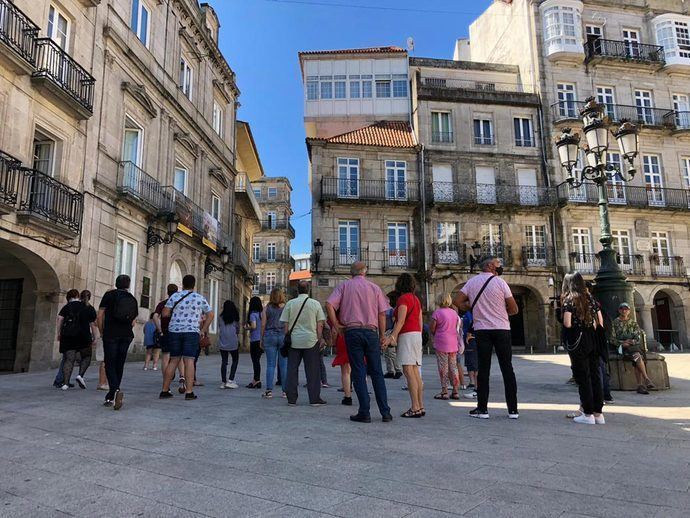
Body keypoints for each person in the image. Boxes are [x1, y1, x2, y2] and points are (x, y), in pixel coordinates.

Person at [453, 256, 519, 420]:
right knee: (507, 369)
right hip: (502, 329)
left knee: (483, 370)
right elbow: (514, 309)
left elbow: (457, 301)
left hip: (482, 330)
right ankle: (513, 410)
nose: (499, 265)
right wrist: (502, 312)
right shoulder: (501, 283)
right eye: (497, 263)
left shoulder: (472, 282)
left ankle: (482, 409)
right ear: (490, 266)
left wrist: (472, 308)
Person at [327, 262, 392, 423]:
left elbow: (329, 304)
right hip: (371, 332)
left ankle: (364, 411)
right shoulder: (375, 288)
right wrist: (382, 335)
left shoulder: (344, 286)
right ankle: (385, 412)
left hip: (352, 332)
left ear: (351, 273)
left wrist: (336, 325)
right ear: (365, 272)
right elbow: (382, 314)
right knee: (377, 372)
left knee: (358, 370)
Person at [159, 275, 213, 400]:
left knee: (173, 360)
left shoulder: (175, 296)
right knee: (189, 361)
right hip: (191, 331)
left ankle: (165, 390)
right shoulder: (199, 298)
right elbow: (210, 314)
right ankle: (189, 392)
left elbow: (165, 313)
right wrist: (203, 330)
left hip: (175, 331)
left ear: (182, 284)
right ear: (194, 285)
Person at [561, 272, 605, 425]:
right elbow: (600, 321)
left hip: (578, 340)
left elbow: (567, 323)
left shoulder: (570, 299)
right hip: (593, 338)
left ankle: (587, 414)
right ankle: (598, 413)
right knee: (595, 375)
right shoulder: (591, 299)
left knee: (582, 377)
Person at [281, 281, 327, 406]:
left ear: (297, 290)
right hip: (311, 341)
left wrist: (287, 337)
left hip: (294, 341)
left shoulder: (290, 304)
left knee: (292, 370)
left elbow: (285, 325)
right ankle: (314, 398)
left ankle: (291, 398)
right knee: (313, 371)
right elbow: (320, 325)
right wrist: (319, 339)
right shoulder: (315, 304)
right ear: (308, 290)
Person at [97, 274, 139, 410]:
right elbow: (133, 321)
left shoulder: (109, 295)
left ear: (116, 283)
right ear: (128, 284)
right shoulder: (132, 298)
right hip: (126, 334)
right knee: (119, 363)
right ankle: (112, 394)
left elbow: (100, 314)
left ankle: (115, 390)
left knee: (109, 362)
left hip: (111, 333)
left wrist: (102, 330)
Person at [387, 273, 424, 418]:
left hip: (407, 335)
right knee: (415, 372)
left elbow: (400, 321)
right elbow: (420, 321)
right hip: (416, 335)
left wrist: (392, 336)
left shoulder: (403, 299)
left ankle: (414, 407)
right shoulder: (416, 299)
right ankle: (420, 406)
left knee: (408, 372)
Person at [56, 289, 97, 390]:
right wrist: (95, 337)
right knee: (87, 356)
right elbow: (93, 324)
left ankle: (65, 383)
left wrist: (59, 333)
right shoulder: (88, 307)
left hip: (68, 335)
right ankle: (80, 375)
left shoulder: (67, 306)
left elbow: (60, 319)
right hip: (83, 335)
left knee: (69, 359)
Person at [612, 302, 655, 395]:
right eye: (622, 309)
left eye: (626, 309)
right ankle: (646, 379)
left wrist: (631, 342)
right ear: (619, 310)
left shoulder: (633, 323)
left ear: (629, 311)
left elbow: (637, 337)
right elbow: (612, 338)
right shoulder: (615, 322)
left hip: (632, 346)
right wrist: (622, 343)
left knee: (636, 358)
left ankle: (640, 385)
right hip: (621, 347)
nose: (624, 311)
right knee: (637, 356)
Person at [154, 284, 185, 393]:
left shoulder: (163, 304)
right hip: (177, 332)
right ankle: (182, 379)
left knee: (166, 357)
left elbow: (154, 316)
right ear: (177, 292)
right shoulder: (180, 303)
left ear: (167, 292)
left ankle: (166, 382)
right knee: (179, 357)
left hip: (166, 333)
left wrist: (160, 329)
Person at [430, 293, 461, 400]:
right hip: (453, 343)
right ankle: (456, 391)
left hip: (441, 343)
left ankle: (445, 391)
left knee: (443, 367)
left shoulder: (437, 313)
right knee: (453, 367)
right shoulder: (454, 313)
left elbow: (432, 328)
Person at [261, 288, 287, 399]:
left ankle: (269, 391)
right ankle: (285, 391)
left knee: (270, 364)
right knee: (284, 365)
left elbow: (263, 325)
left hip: (269, 336)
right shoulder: (286, 308)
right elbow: (287, 324)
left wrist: (261, 338)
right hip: (282, 336)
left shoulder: (266, 308)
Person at [329, 312, 352, 405]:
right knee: (360, 368)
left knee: (346, 372)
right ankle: (363, 394)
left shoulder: (340, 312)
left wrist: (333, 343)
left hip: (343, 338)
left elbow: (334, 331)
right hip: (357, 336)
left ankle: (347, 397)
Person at [218, 300, 240, 389]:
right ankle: (230, 380)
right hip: (233, 342)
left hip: (223, 341)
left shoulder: (220, 317)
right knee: (235, 360)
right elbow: (237, 329)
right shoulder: (235, 317)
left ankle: (223, 382)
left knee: (224, 361)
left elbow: (220, 326)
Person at [383, 291, 403, 379]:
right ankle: (390, 370)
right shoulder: (386, 309)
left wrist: (394, 334)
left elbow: (395, 321)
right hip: (385, 331)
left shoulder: (392, 310)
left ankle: (398, 370)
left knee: (391, 352)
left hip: (390, 331)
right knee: (386, 353)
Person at [245, 296, 263, 389]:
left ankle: (256, 380)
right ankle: (256, 380)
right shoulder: (262, 314)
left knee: (255, 361)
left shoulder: (253, 314)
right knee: (258, 361)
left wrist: (246, 328)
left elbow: (254, 326)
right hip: (261, 340)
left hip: (254, 340)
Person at [461, 310, 478, 397]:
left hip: (472, 341)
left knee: (473, 363)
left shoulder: (471, 313)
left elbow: (472, 323)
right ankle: (473, 383)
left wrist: (471, 335)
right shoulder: (467, 313)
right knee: (469, 362)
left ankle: (475, 386)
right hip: (469, 340)